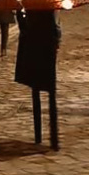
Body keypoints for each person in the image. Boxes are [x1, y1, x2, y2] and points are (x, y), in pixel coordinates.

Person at [15, 9, 61, 150]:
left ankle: (39, 135)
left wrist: (19, 13)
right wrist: (57, 40)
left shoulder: (29, 4)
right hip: (47, 50)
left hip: (33, 50)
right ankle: (54, 139)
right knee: (51, 95)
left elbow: (24, 27)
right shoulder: (50, 5)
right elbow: (55, 29)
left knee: (36, 92)